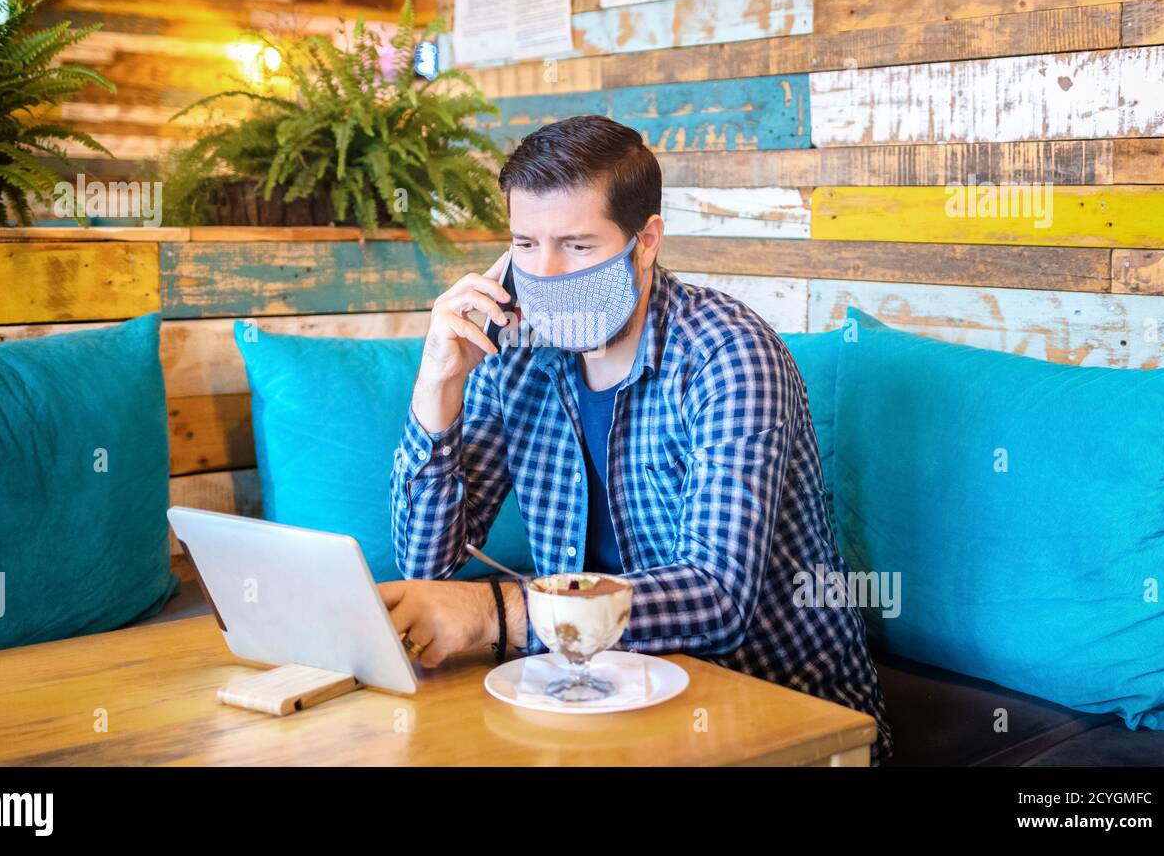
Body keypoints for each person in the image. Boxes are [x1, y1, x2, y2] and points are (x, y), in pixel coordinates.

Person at [380, 114, 893, 765]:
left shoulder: (727, 354)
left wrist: (493, 614)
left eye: (577, 246)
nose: (548, 273)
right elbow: (428, 564)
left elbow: (717, 596)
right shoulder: (513, 353)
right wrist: (436, 390)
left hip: (778, 714)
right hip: (600, 703)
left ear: (645, 241)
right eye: (525, 245)